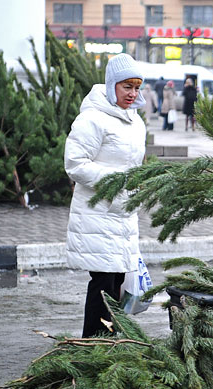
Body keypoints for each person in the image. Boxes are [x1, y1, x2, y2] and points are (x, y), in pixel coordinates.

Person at [64, 53, 147, 338]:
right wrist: (116, 181)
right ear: (112, 85)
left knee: (118, 280)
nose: (132, 94)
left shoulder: (135, 121)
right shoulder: (92, 118)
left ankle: (110, 341)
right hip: (98, 213)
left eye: (137, 87)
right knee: (102, 282)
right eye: (126, 87)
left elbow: (134, 165)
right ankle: (93, 343)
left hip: (124, 213)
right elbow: (74, 163)